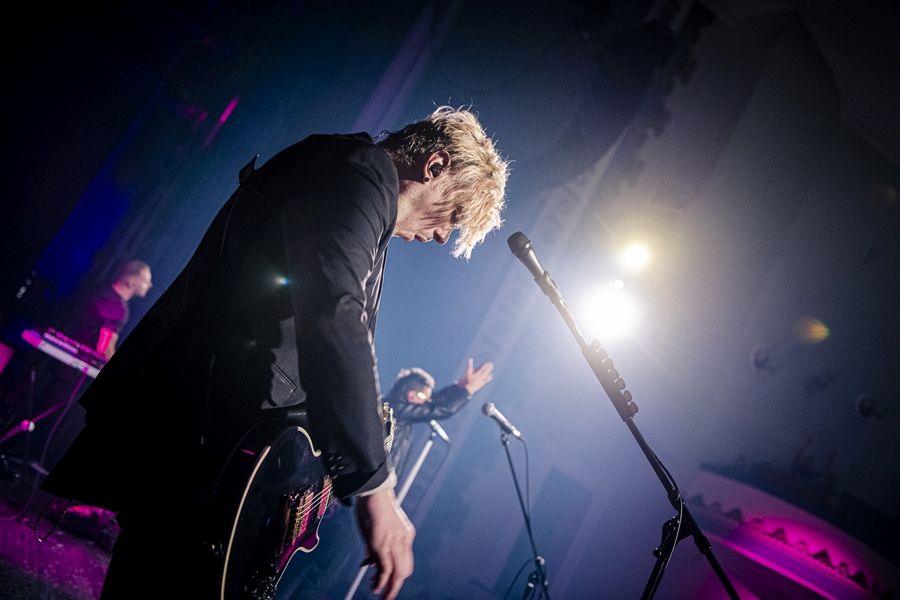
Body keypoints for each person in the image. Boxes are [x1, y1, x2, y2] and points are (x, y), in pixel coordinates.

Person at [41, 106, 508, 599]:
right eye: (454, 216)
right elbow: (334, 317)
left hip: (221, 439)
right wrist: (376, 486)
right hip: (206, 434)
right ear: (433, 167)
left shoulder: (356, 185)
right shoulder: (360, 173)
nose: (442, 236)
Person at [387, 360, 494, 483]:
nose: (426, 402)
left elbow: (434, 402)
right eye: (424, 399)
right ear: (411, 396)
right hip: (379, 484)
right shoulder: (395, 409)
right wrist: (468, 390)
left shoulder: (395, 407)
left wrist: (459, 387)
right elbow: (441, 409)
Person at [70, 259, 153, 360]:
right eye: (146, 281)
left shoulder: (101, 288)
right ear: (131, 282)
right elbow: (104, 349)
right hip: (80, 358)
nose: (150, 285)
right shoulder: (117, 308)